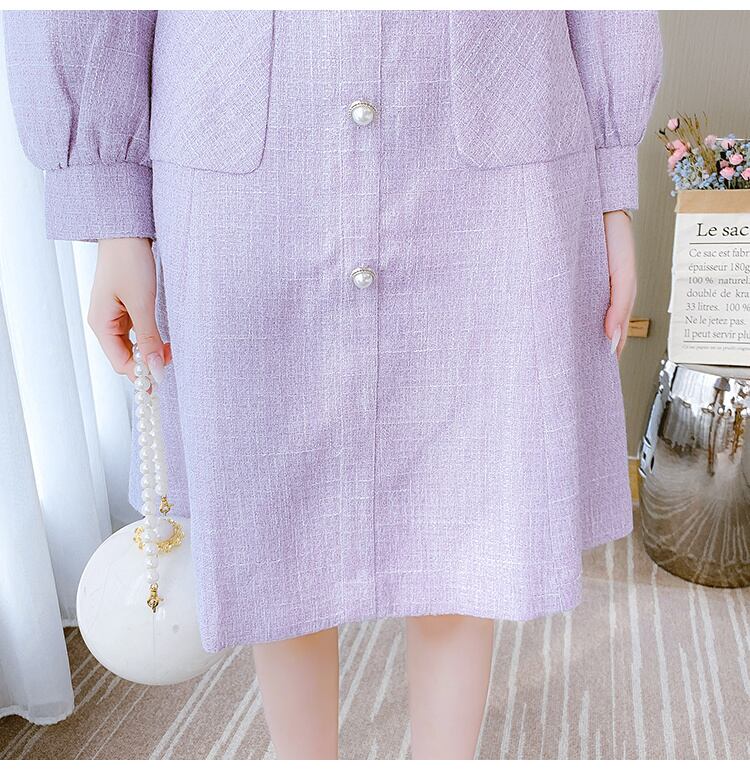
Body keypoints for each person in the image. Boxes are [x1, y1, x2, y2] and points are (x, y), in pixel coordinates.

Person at [4, 10, 662, 760]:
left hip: (498, 128)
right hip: (241, 144)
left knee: (466, 507)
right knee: (276, 516)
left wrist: (612, 189)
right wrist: (112, 210)